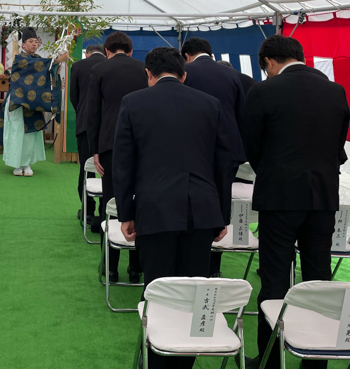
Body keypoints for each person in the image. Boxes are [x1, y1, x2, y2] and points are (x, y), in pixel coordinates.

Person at [114, 48, 231, 369]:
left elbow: (123, 163)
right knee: (192, 292)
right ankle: (183, 363)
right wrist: (221, 215)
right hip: (202, 211)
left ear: (148, 74)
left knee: (158, 289)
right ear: (184, 74)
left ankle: (157, 359)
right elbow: (224, 164)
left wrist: (126, 213)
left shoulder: (133, 102)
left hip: (154, 208)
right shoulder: (210, 104)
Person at [241, 35, 350, 369]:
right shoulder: (335, 91)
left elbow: (252, 144)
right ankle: (316, 360)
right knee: (318, 278)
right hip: (323, 196)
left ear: (269, 62)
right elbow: (338, 147)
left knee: (275, 279)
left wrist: (273, 171)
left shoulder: (263, 90)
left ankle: (270, 360)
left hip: (279, 196)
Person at [181, 37, 246, 277]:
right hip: (226, 150)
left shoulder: (185, 72)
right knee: (220, 203)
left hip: (194, 148)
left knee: (193, 203)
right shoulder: (232, 75)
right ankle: (214, 266)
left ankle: (188, 259)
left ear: (187, 55)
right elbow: (241, 115)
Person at [86, 31, 147, 283]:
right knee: (140, 201)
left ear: (107, 51)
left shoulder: (99, 70)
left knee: (111, 202)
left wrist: (95, 149)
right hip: (142, 143)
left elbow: (93, 112)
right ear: (130, 51)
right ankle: (136, 267)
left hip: (110, 143)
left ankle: (110, 267)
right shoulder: (144, 69)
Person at [0, 27, 68, 177]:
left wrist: (54, 67)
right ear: (23, 45)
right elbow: (37, 66)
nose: (34, 44)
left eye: (36, 41)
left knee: (30, 136)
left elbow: (44, 70)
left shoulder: (38, 59)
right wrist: (56, 60)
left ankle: (27, 164)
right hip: (17, 101)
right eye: (30, 41)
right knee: (16, 133)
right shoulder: (19, 59)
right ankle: (16, 165)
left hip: (32, 102)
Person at [69, 43, 105, 226]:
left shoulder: (78, 66)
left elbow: (73, 96)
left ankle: (87, 211)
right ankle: (105, 212)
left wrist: (82, 112)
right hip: (107, 126)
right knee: (107, 169)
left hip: (85, 124)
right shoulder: (109, 65)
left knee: (86, 167)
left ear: (87, 54)